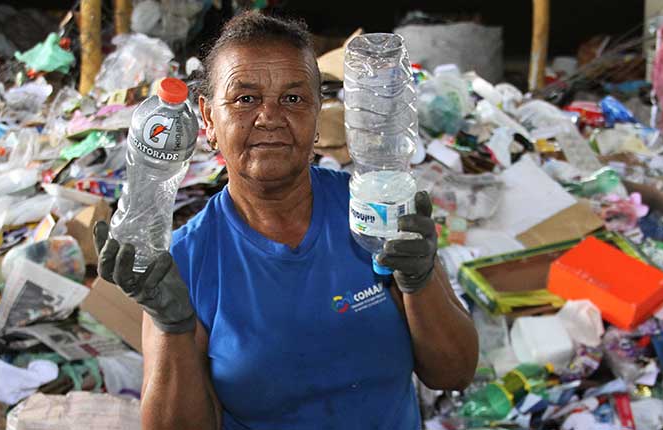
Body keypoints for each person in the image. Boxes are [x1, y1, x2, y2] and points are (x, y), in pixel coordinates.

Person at [93, 11, 478, 429]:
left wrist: (420, 280)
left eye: (293, 98)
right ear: (207, 118)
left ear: (317, 116)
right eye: (245, 98)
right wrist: (173, 327)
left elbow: (454, 373)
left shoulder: (374, 214)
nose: (270, 116)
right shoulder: (185, 263)